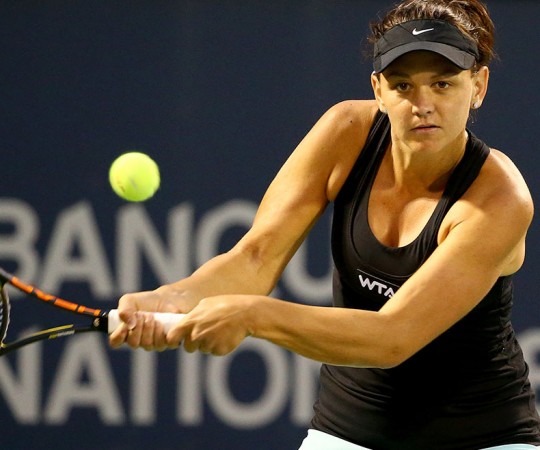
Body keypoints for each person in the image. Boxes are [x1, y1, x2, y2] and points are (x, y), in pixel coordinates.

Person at [109, 0, 540, 448]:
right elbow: (256, 256)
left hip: (481, 434)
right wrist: (169, 299)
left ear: (478, 86)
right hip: (349, 427)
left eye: (443, 84)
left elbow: (392, 338)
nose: (423, 104)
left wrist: (252, 315)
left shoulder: (500, 199)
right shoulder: (345, 131)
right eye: (403, 85)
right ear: (378, 90)